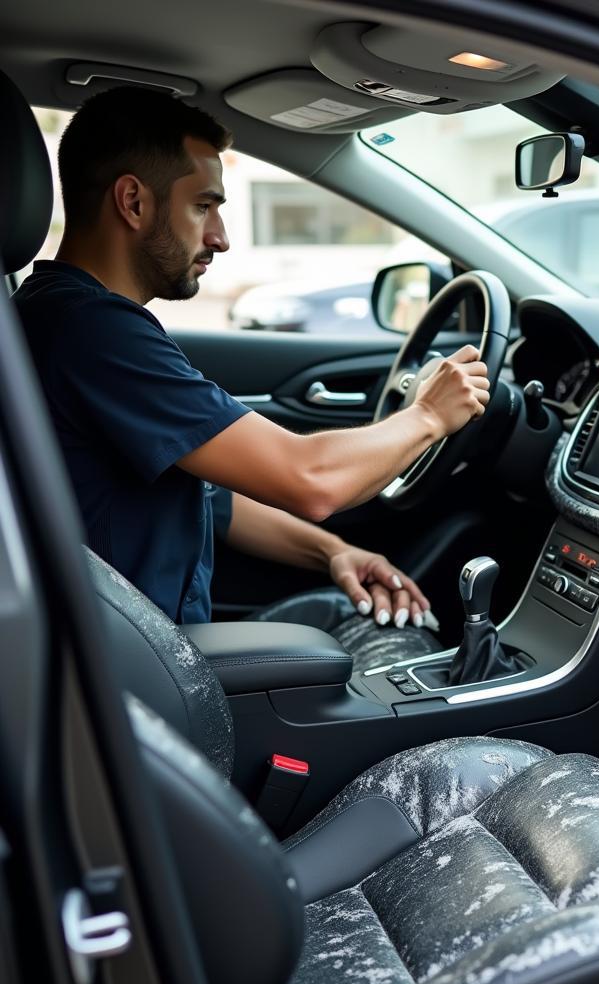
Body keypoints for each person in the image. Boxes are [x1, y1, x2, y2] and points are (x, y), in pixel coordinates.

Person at [14, 86, 491, 673]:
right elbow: (311, 480)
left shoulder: (58, 314)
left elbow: (210, 494)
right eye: (202, 207)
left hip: (135, 651)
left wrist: (334, 552)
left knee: (346, 609)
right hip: (138, 681)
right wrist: (427, 415)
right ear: (133, 202)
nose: (220, 237)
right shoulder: (92, 330)